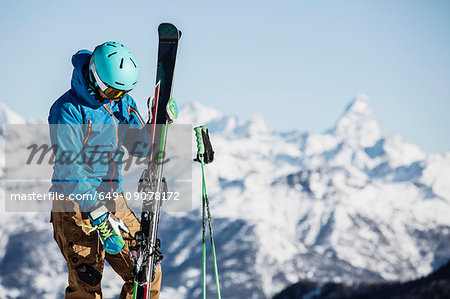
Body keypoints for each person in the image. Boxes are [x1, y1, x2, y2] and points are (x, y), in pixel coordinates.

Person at [48, 41, 177, 299]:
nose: (116, 98)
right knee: (87, 281)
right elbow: (69, 168)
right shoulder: (67, 111)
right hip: (74, 204)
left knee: (147, 271)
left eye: (122, 92)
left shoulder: (121, 103)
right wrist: (97, 214)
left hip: (112, 197)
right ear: (94, 76)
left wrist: (158, 125)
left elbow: (140, 147)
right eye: (112, 91)